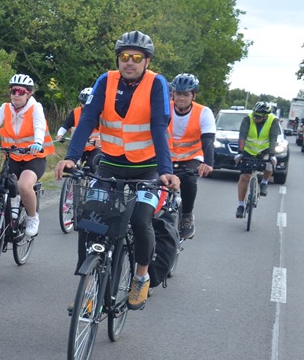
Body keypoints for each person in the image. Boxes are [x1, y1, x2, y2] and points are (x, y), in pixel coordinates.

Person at [54, 31, 178, 310]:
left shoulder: (156, 83)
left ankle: (141, 277)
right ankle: (88, 284)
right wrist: (72, 157)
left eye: (137, 57)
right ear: (118, 59)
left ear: (147, 61)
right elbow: (87, 119)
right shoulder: (105, 81)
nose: (129, 62)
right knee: (90, 218)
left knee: (140, 219)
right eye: (124, 56)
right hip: (110, 164)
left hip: (146, 168)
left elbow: (159, 127)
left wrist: (165, 170)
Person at [0, 74, 55, 237]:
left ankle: (32, 217)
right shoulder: (5, 108)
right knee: (0, 187)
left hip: (34, 157)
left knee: (24, 185)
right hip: (13, 157)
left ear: (29, 94)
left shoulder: (35, 108)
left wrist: (38, 142)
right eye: (13, 91)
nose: (16, 95)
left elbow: (39, 126)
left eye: (21, 91)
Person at [167, 73, 215, 239]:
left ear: (193, 95)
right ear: (173, 93)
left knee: (188, 180)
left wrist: (208, 163)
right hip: (166, 156)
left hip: (191, 157)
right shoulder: (164, 107)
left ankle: (187, 216)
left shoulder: (204, 112)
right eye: (178, 94)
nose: (181, 98)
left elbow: (208, 140)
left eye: (186, 94)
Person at [235, 101, 278, 217]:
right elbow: (242, 136)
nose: (255, 118)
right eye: (254, 115)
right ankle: (240, 206)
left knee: (270, 163)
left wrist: (272, 154)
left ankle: (264, 182)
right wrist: (240, 153)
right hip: (248, 151)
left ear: (265, 116)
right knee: (244, 177)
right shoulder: (247, 119)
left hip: (265, 150)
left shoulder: (273, 120)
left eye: (258, 117)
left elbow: (273, 138)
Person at [56, 86, 101, 171]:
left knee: (92, 165)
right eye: (83, 103)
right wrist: (60, 135)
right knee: (71, 166)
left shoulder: (100, 114)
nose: (85, 106)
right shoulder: (75, 112)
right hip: (78, 147)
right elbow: (66, 125)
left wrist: (98, 140)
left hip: (94, 148)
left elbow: (106, 131)